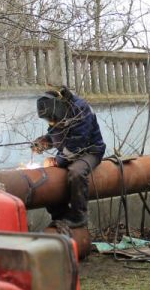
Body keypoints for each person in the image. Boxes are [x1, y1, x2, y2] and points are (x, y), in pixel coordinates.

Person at [32, 86, 105, 227]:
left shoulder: (80, 109)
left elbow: (78, 142)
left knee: (76, 172)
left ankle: (79, 216)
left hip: (90, 151)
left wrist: (58, 161)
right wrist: (43, 142)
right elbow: (57, 135)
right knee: (49, 175)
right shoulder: (59, 110)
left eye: (52, 118)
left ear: (58, 107)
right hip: (70, 152)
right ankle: (60, 215)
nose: (51, 121)